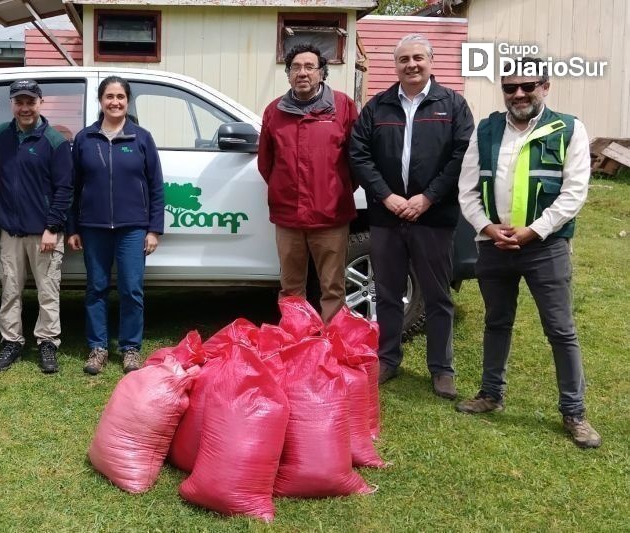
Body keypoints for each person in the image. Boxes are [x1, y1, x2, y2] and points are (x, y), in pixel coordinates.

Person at [456, 61, 601, 448]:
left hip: (545, 248)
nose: (518, 94)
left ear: (545, 87)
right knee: (496, 322)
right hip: (494, 245)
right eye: (510, 88)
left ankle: (575, 413)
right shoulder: (486, 130)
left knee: (560, 329)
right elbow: (467, 190)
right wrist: (487, 228)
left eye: (527, 86)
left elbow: (574, 192)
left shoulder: (568, 128)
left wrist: (533, 231)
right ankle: (491, 394)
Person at [350, 34, 474, 399]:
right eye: (404, 59)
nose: (411, 65)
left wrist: (428, 198)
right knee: (387, 293)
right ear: (396, 65)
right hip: (387, 217)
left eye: (418, 57)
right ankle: (388, 359)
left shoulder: (452, 105)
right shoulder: (378, 106)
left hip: (433, 217)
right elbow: (358, 155)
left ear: (430, 61)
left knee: (437, 295)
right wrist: (386, 196)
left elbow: (462, 154)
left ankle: (441, 369)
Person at [67, 76, 164, 375]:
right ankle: (97, 347)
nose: (115, 102)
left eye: (120, 96)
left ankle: (130, 348)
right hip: (93, 228)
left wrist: (153, 229)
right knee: (96, 288)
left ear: (127, 100)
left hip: (132, 228)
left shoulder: (142, 138)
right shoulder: (85, 139)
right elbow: (73, 187)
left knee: (131, 289)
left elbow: (156, 186)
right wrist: (73, 228)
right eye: (109, 96)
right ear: (101, 101)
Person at [257, 43, 359, 323]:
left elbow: (357, 158)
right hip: (288, 217)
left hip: (331, 216)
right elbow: (266, 163)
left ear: (322, 74)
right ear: (288, 74)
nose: (302, 73)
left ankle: (331, 348)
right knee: (291, 289)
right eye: (296, 68)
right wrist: (283, 188)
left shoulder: (343, 107)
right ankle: (295, 342)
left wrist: (334, 191)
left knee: (333, 289)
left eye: (309, 67)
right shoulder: (273, 112)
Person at [0, 79, 73, 374]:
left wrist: (53, 227)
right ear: (11, 104)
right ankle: (11, 341)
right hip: (10, 231)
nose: (25, 108)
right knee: (10, 290)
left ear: (40, 103)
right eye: (19, 102)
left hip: (44, 234)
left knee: (47, 292)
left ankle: (47, 342)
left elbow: (65, 189)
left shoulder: (54, 141)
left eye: (30, 102)